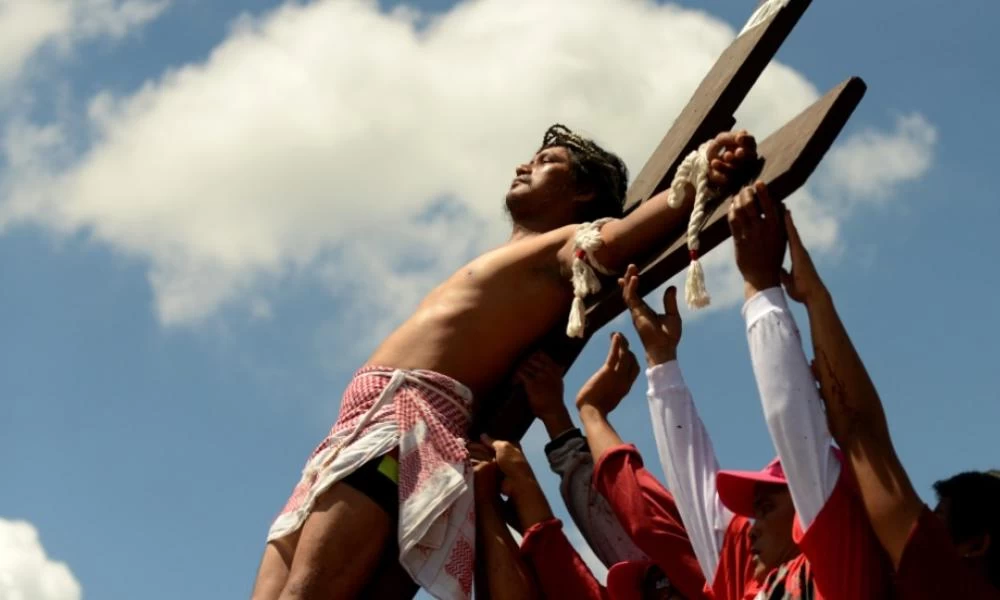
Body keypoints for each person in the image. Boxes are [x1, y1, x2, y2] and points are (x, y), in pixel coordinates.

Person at [251, 124, 760, 600]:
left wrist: (700, 173)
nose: (523, 166)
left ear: (581, 194)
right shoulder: (508, 256)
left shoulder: (563, 245)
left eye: (546, 161)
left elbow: (612, 242)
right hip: (350, 433)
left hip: (407, 429)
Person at [619, 181, 889, 599]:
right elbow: (698, 500)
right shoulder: (744, 587)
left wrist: (761, 286)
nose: (750, 529)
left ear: (805, 510)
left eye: (764, 510)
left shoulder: (835, 572)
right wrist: (661, 363)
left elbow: (797, 429)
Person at [777, 204, 1000, 598]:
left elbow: (860, 433)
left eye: (938, 514)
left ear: (977, 545)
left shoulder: (949, 586)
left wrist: (813, 297)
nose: (923, 517)